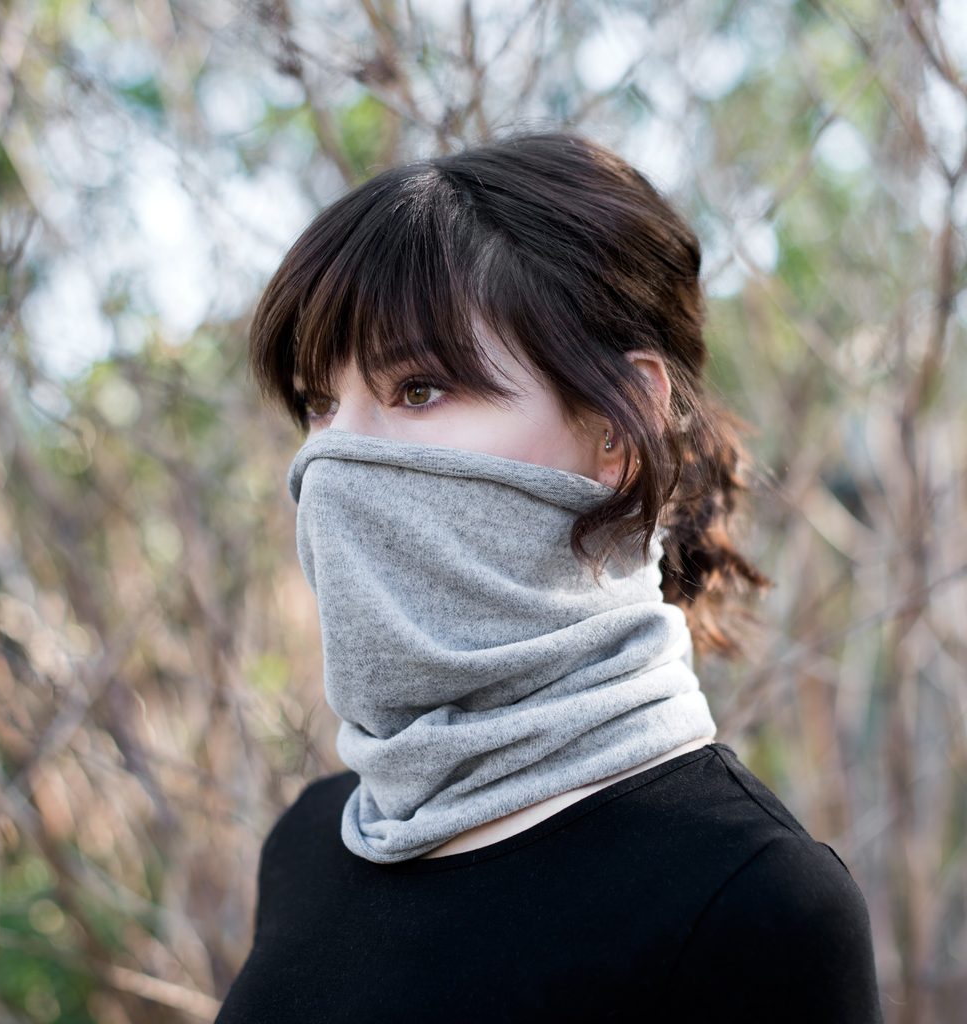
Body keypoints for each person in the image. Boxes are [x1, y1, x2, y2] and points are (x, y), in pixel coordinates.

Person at [216, 129, 884, 1021]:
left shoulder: (753, 901)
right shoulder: (313, 839)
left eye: (418, 389)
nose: (335, 459)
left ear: (620, 425)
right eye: (319, 405)